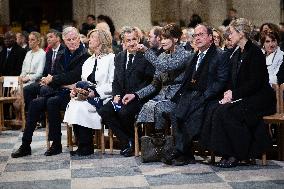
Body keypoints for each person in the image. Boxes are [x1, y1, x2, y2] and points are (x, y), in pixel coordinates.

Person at [201, 18, 276, 168]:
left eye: (232, 32)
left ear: (241, 33)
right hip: (246, 96)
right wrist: (228, 93)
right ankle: (225, 153)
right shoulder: (237, 53)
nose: (229, 36)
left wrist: (234, 95)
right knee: (217, 108)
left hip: (260, 98)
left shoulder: (255, 52)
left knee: (228, 112)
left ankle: (237, 154)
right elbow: (233, 80)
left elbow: (255, 83)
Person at [11, 27, 90, 158]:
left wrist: (54, 79)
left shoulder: (85, 55)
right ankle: (25, 145)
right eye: (69, 40)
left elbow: (74, 76)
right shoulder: (62, 53)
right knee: (36, 103)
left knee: (52, 101)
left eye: (74, 38)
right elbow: (59, 75)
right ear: (64, 40)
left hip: (74, 94)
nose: (72, 42)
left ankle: (56, 144)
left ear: (78, 38)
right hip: (60, 91)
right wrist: (55, 80)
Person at [167, 23, 229, 166]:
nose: (197, 38)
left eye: (201, 34)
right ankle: (186, 154)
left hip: (209, 96)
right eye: (195, 35)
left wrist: (205, 95)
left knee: (193, 116)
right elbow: (188, 79)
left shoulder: (220, 55)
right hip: (191, 94)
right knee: (176, 113)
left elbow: (221, 81)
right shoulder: (194, 56)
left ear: (210, 37)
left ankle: (179, 151)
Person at [123, 23, 191, 134]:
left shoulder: (185, 55)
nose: (162, 41)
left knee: (158, 107)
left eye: (166, 38)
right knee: (148, 105)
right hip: (162, 96)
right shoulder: (162, 56)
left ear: (175, 38)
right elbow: (154, 85)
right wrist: (135, 95)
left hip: (177, 98)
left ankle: (161, 139)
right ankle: (152, 141)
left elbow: (165, 67)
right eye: (162, 38)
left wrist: (146, 51)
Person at [98, 26, 155, 157]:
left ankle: (132, 142)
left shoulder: (147, 56)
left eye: (134, 39)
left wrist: (135, 95)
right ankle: (127, 141)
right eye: (128, 40)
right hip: (122, 97)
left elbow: (150, 82)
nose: (131, 43)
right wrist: (116, 95)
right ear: (123, 42)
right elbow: (116, 81)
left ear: (139, 39)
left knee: (124, 112)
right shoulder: (119, 57)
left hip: (138, 97)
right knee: (104, 111)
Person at [63, 29, 115, 156]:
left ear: (101, 41)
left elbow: (113, 84)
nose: (88, 40)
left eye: (92, 38)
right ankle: (82, 144)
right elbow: (82, 81)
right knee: (74, 103)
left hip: (103, 97)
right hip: (86, 96)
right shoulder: (88, 61)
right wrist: (76, 91)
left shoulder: (111, 58)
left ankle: (86, 145)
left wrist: (95, 92)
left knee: (81, 106)